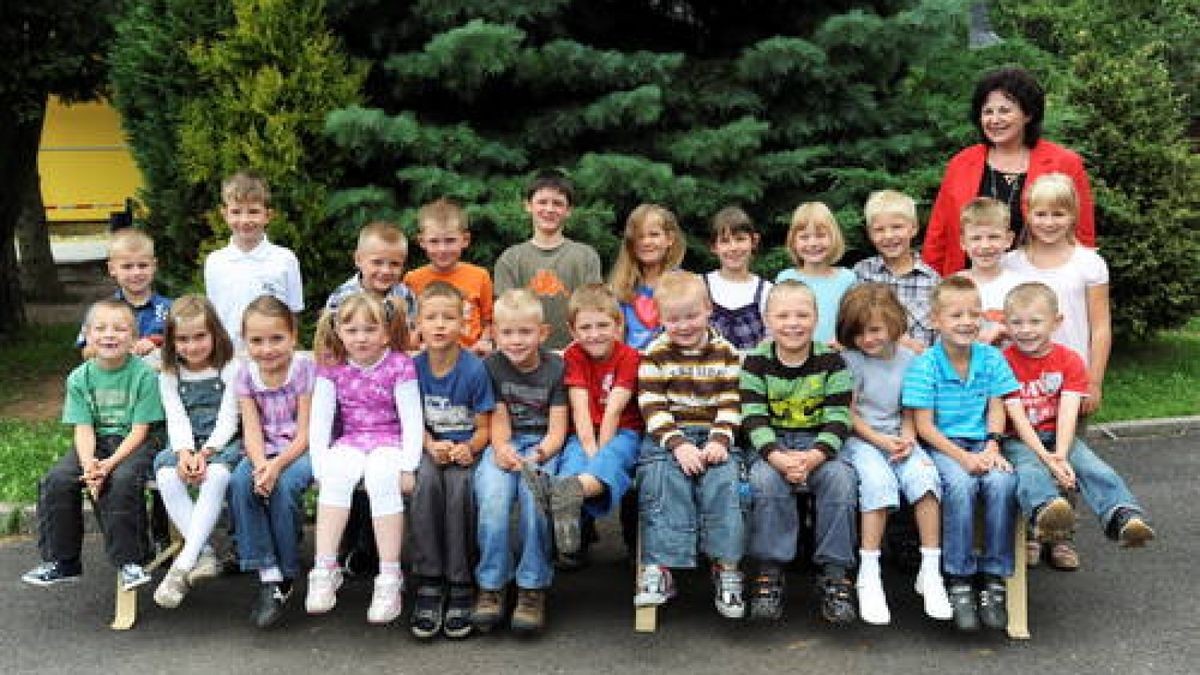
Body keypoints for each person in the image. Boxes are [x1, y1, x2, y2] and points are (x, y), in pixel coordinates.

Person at [1002, 173, 1112, 570]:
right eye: (1040, 213)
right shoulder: (1012, 262)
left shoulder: (1089, 263)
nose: (1049, 222)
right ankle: (1033, 530)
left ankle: (1063, 538)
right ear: (1027, 215)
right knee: (1029, 456)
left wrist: (1094, 380)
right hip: (1022, 378)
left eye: (1058, 214)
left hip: (1069, 380)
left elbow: (1100, 326)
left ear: (1073, 215)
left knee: (1069, 453)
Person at [1000, 282, 1153, 564]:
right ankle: (1046, 511)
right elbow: (1017, 417)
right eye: (1016, 322)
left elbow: (1069, 412)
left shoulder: (1069, 360)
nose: (1025, 329)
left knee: (1094, 467)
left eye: (1035, 321)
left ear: (1056, 322)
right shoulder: (1002, 361)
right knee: (1029, 469)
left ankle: (1122, 514)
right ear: (1005, 324)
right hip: (1018, 438)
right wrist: (1047, 458)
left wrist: (1060, 452)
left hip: (1057, 434)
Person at [902, 276, 1019, 633]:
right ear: (936, 320)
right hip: (943, 446)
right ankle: (960, 577)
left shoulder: (991, 358)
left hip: (983, 443)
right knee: (959, 487)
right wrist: (964, 458)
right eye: (956, 315)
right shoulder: (925, 364)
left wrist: (992, 445)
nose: (967, 321)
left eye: (973, 313)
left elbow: (996, 407)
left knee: (1002, 483)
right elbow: (924, 427)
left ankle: (995, 577)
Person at [23, 299, 164, 590]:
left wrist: (108, 466)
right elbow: (83, 428)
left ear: (134, 338)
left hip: (135, 442)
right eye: (100, 328)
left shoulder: (144, 375)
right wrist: (89, 464)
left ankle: (131, 562)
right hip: (95, 442)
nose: (110, 334)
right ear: (87, 334)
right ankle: (64, 562)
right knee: (58, 479)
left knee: (122, 479)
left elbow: (140, 430)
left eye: (120, 329)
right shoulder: (78, 378)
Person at [740, 281, 858, 624]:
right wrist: (777, 457)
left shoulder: (832, 362)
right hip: (771, 445)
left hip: (819, 444)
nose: (793, 323)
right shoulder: (756, 363)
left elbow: (839, 418)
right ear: (767, 320)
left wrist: (814, 457)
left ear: (816, 318)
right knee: (765, 481)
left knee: (840, 480)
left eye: (802, 315)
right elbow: (753, 418)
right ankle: (769, 571)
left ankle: (835, 573)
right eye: (783, 315)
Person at [835, 284, 953, 625]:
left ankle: (930, 570)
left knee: (925, 477)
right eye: (858, 333)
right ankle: (868, 574)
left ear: (893, 323)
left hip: (900, 436)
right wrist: (881, 442)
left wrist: (907, 438)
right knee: (878, 484)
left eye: (874, 330)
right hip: (861, 439)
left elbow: (909, 407)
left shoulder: (910, 359)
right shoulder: (849, 362)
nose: (867, 339)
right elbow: (849, 415)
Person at [305, 293, 422, 624]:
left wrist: (408, 466)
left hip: (390, 440)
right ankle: (324, 567)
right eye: (352, 330)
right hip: (352, 440)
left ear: (385, 332)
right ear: (339, 331)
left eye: (370, 330)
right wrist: (320, 465)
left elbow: (412, 420)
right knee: (338, 473)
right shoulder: (332, 368)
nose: (361, 338)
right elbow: (321, 420)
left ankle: (389, 577)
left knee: (382, 476)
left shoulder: (400, 364)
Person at [634, 271, 745, 620]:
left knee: (725, 483)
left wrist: (720, 438)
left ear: (708, 309)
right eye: (673, 318)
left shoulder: (725, 353)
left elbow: (731, 400)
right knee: (663, 481)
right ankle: (661, 567)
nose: (683, 325)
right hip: (669, 436)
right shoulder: (656, 354)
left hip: (714, 433)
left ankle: (726, 566)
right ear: (661, 318)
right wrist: (678, 444)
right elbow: (652, 406)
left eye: (691, 316)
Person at [924, 66, 1096, 276]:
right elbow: (938, 235)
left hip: (1041, 291)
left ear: (1028, 114)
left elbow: (1082, 233)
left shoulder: (1065, 163)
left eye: (1004, 110)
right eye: (988, 111)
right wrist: (933, 288)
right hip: (972, 292)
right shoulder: (960, 164)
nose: (994, 120)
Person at [521, 283, 644, 568]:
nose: (594, 334)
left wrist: (598, 453)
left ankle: (560, 494)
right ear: (573, 330)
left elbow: (614, 409)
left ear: (618, 324)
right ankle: (567, 499)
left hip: (623, 432)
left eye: (602, 325)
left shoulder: (629, 357)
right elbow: (579, 404)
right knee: (573, 462)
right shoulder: (574, 355)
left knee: (609, 461)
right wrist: (589, 448)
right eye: (585, 328)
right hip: (583, 430)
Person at [471, 289, 569, 633]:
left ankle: (531, 587)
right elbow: (497, 419)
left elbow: (558, 430)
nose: (516, 341)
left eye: (525, 332)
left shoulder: (556, 368)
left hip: (544, 446)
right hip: (505, 442)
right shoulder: (491, 366)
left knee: (534, 500)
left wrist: (536, 456)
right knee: (494, 500)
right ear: (495, 334)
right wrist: (501, 449)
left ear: (542, 333)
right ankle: (492, 585)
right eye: (507, 333)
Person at [408, 282, 495, 640]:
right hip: (428, 447)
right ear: (418, 325)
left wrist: (469, 449)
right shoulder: (413, 369)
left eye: (449, 317)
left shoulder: (474, 370)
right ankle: (430, 578)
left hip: (465, 449)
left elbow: (485, 427)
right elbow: (410, 421)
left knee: (460, 487)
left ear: (464, 323)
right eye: (432, 318)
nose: (440, 325)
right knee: (425, 484)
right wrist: (429, 444)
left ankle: (460, 579)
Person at [227, 296, 315, 629]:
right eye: (257, 341)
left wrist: (275, 468)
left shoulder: (305, 370)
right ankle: (269, 573)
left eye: (276, 338)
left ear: (293, 335)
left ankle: (288, 572)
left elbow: (306, 434)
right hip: (262, 451)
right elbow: (251, 431)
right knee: (240, 481)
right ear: (245, 342)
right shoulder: (245, 375)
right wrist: (262, 463)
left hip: (301, 451)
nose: (267, 349)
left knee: (284, 487)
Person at [151, 295, 242, 609]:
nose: (192, 346)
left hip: (223, 441)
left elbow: (230, 417)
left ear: (215, 334)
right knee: (165, 474)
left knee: (216, 474)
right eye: (183, 339)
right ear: (172, 342)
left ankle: (180, 567)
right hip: (185, 443)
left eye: (200, 337)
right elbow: (176, 416)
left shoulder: (230, 367)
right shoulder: (170, 373)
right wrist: (185, 452)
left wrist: (206, 453)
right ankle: (202, 555)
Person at [494, 169, 603, 350]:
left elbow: (595, 308)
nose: (549, 209)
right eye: (542, 202)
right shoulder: (510, 259)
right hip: (524, 356)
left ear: (568, 210)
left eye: (558, 203)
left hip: (577, 354)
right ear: (528, 205)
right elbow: (504, 315)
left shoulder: (585, 256)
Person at [204, 171, 304, 349]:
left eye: (253, 211)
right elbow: (214, 317)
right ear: (224, 214)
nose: (245, 220)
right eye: (236, 212)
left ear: (268, 215)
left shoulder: (285, 260)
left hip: (273, 354)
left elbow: (293, 314)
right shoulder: (215, 262)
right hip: (228, 358)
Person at [853, 190, 941, 352]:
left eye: (897, 227)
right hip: (872, 370)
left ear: (913, 228)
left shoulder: (933, 281)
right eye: (879, 230)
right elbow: (853, 326)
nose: (889, 235)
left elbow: (940, 340)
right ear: (870, 234)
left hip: (918, 371)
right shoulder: (861, 274)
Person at [404, 198, 495, 354]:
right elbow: (411, 325)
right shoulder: (412, 279)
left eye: (450, 240)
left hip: (471, 356)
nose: (442, 249)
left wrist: (484, 342)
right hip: (430, 357)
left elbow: (489, 321)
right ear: (422, 242)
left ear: (465, 240)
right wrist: (417, 345)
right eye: (434, 241)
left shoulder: (480, 276)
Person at [76, 228, 171, 362]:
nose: (136, 272)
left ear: (154, 266)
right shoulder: (100, 311)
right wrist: (118, 345)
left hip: (157, 379)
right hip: (114, 381)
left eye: (143, 265)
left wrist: (157, 343)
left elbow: (184, 349)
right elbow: (86, 352)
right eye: (127, 266)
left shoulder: (171, 309)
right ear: (112, 269)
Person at [775, 202, 856, 346]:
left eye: (820, 236)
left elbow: (856, 321)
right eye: (804, 237)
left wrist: (844, 342)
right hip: (796, 358)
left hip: (837, 360)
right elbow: (776, 322)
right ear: (793, 242)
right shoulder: (785, 278)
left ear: (833, 238)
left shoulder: (847, 279)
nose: (812, 243)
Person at [609, 203, 686, 350]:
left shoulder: (684, 284)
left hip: (673, 364)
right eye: (639, 237)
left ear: (669, 239)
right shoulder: (621, 288)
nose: (646, 242)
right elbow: (615, 338)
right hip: (634, 365)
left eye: (654, 235)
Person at [702, 206, 772, 351]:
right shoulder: (700, 285)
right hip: (707, 371)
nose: (733, 247)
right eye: (725, 241)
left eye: (740, 239)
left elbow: (772, 337)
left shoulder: (768, 290)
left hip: (751, 371)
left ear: (754, 241)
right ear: (714, 246)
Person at [327, 220, 417, 332]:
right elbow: (329, 339)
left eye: (395, 264)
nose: (386, 271)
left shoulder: (405, 295)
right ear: (358, 259)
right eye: (377, 262)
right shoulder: (342, 297)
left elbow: (412, 335)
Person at [956, 197, 1020, 345]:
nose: (985, 245)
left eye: (993, 237)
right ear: (963, 242)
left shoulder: (1021, 286)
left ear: (1009, 240)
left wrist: (1003, 330)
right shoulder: (953, 285)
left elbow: (1033, 329)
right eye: (976, 238)